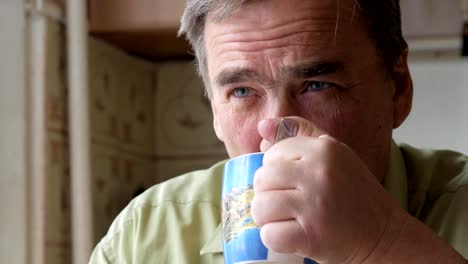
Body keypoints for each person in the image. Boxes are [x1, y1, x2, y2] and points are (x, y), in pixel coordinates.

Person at [89, 0, 468, 263]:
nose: (277, 133)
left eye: (317, 84)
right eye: (242, 92)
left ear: (398, 87)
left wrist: (381, 242)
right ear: (215, 113)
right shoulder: (144, 236)